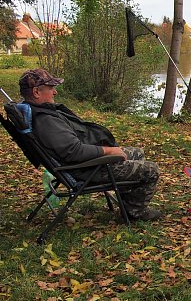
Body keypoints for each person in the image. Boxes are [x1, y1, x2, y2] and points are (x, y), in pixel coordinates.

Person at [18, 68, 162, 221]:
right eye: (51, 88)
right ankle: (135, 212)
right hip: (85, 169)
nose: (55, 92)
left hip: (79, 164)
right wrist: (109, 151)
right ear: (36, 92)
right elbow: (75, 151)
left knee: (137, 153)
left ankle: (127, 204)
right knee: (151, 170)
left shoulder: (37, 112)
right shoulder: (46, 121)